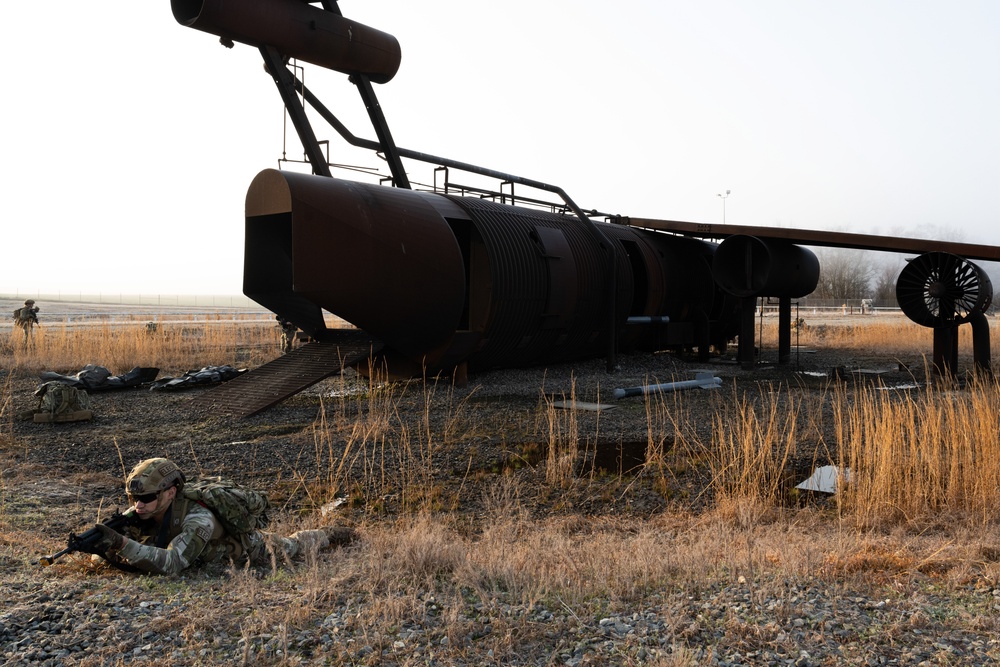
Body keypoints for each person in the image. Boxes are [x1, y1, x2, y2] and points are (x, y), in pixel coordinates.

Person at [92, 458, 355, 575]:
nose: (138, 504)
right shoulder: (142, 508)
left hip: (247, 548)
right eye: (133, 498)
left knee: (293, 545)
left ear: (171, 492)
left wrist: (122, 545)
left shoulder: (198, 518)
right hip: (202, 552)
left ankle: (327, 534)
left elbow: (173, 563)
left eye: (147, 498)